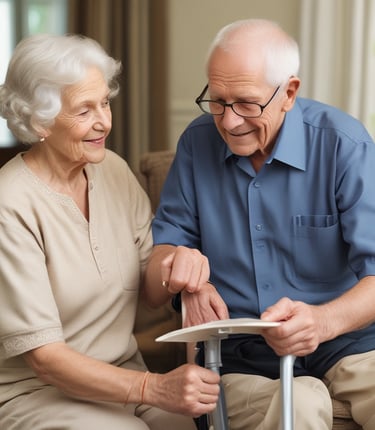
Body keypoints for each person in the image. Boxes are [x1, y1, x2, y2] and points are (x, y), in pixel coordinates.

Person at [144, 18, 375, 430]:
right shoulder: (197, 145)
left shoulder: (344, 145)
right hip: (242, 355)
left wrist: (322, 322)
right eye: (217, 101)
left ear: (288, 93)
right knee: (300, 405)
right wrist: (183, 274)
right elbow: (165, 250)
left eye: (247, 104)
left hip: (347, 343)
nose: (229, 121)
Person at [0, 33, 220, 430]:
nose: (104, 121)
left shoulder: (113, 170)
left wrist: (179, 266)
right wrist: (152, 389)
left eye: (104, 102)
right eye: (84, 110)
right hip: (37, 392)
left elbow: (152, 293)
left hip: (122, 376)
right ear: (39, 121)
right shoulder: (10, 203)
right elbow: (45, 359)